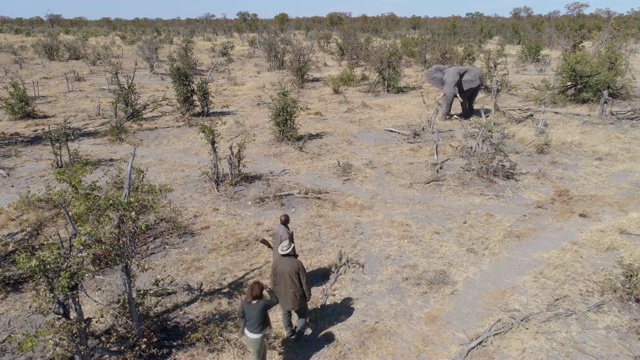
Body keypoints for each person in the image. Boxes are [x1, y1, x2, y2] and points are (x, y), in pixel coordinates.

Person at [271, 240, 311, 340]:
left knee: (286, 313)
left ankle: (289, 332)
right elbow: (304, 281)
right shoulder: (297, 263)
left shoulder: (276, 264)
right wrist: (307, 294)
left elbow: (273, 281)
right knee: (303, 314)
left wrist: (276, 294)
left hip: (283, 295)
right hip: (297, 295)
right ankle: (299, 333)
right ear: (291, 250)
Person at [238, 281, 279, 360]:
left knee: (262, 351)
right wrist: (268, 289)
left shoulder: (245, 302)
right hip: (257, 335)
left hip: (248, 331)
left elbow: (241, 315)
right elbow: (275, 300)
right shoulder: (262, 304)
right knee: (257, 356)